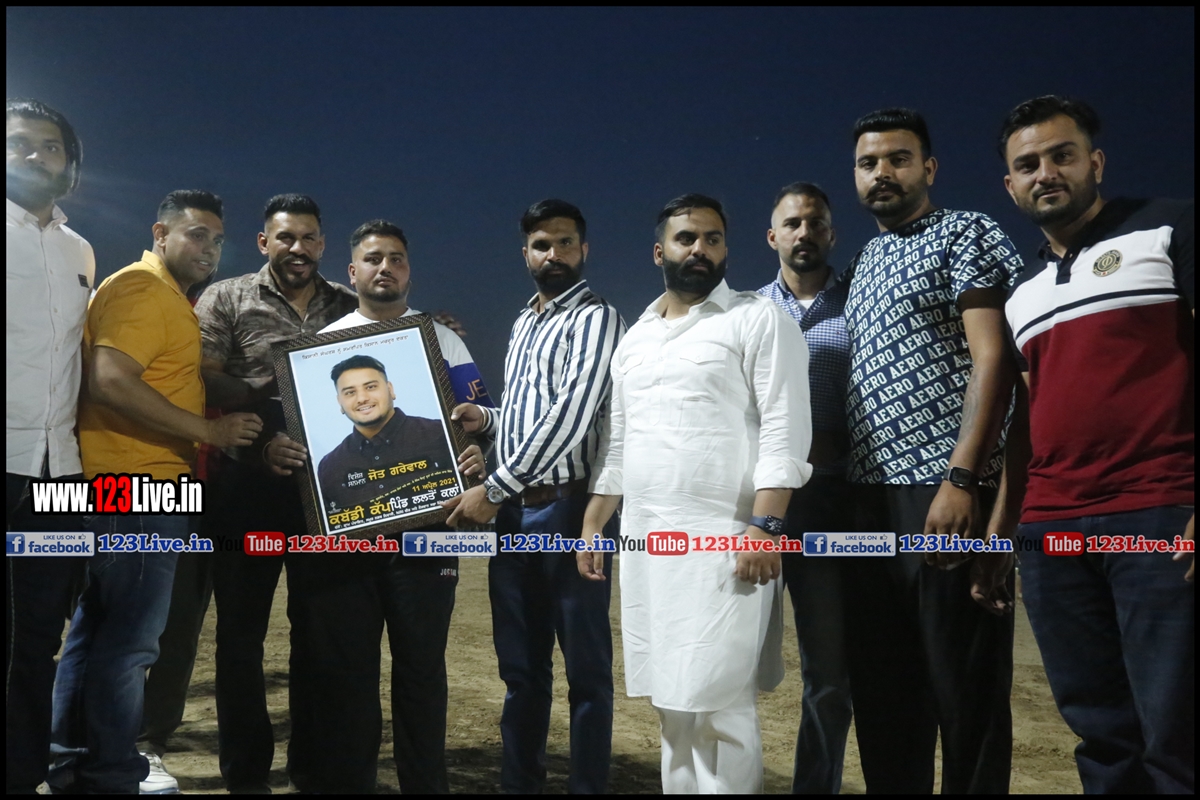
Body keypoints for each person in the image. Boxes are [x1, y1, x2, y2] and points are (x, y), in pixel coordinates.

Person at [985, 95, 1194, 794]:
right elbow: (1026, 419)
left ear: (1095, 162)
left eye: (1062, 155)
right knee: (1101, 736)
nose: (1046, 172)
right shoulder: (1020, 294)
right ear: (1010, 185)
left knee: (1178, 733)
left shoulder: (1171, 227)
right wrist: (1006, 528)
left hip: (1159, 516)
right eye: (1028, 165)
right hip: (1053, 533)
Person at [578, 193, 810, 793]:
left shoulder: (758, 319)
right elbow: (618, 444)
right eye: (686, 238)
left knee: (720, 704)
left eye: (712, 238)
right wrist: (595, 523)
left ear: (726, 249)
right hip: (648, 546)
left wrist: (766, 527)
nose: (700, 249)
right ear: (660, 251)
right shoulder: (636, 339)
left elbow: (785, 429)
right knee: (673, 704)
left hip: (725, 542)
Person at [48, 191, 262, 794]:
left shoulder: (159, 294)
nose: (209, 249)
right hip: (139, 486)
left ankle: (73, 763)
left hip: (122, 484)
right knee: (131, 643)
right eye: (196, 234)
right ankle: (112, 771)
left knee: (95, 632)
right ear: (160, 233)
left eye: (217, 239)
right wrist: (209, 431)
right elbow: (111, 379)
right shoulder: (143, 289)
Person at [265, 219, 489, 793]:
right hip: (347, 549)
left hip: (427, 538)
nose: (384, 267)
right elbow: (291, 430)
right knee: (348, 678)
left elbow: (482, 417)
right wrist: (279, 447)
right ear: (353, 271)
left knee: (422, 672)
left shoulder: (443, 340)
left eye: (395, 258)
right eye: (372, 258)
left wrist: (477, 451)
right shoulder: (321, 346)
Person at [842, 108, 1023, 794]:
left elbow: (996, 360)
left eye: (898, 159)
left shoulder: (966, 232)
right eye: (868, 163)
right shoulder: (863, 262)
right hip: (868, 502)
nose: (882, 173)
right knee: (885, 696)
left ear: (929, 168)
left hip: (944, 490)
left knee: (965, 693)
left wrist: (963, 478)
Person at [444, 199, 624, 794]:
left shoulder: (597, 318)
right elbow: (529, 415)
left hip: (569, 511)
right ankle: (520, 783)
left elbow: (572, 416)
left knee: (586, 671)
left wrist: (494, 489)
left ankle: (587, 787)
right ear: (525, 254)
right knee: (520, 670)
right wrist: (487, 419)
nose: (554, 254)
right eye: (542, 245)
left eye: (565, 242)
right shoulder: (525, 321)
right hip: (518, 510)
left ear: (584, 249)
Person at [193, 193, 357, 793]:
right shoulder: (228, 296)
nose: (298, 248)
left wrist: (434, 327)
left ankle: (311, 770)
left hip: (325, 495)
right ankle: (246, 775)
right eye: (285, 237)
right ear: (265, 242)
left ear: (322, 244)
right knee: (241, 638)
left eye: (309, 237)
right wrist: (268, 396)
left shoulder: (347, 303)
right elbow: (202, 375)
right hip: (246, 488)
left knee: (318, 635)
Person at [5, 96, 93, 796]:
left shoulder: (80, 250)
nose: (36, 154)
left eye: (51, 145)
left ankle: (23, 774)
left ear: (69, 164)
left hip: (59, 476)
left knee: (39, 640)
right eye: (20, 142)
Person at [758, 181, 853, 794]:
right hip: (758, 505)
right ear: (773, 237)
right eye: (792, 223)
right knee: (734, 658)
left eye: (815, 223)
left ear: (831, 234)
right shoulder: (747, 311)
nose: (804, 233)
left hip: (833, 505)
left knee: (830, 671)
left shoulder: (861, 304)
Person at [316, 354, 455, 515]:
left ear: (390, 390)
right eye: (350, 392)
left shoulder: (443, 434)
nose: (362, 398)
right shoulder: (330, 467)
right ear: (340, 402)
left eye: (370, 387)